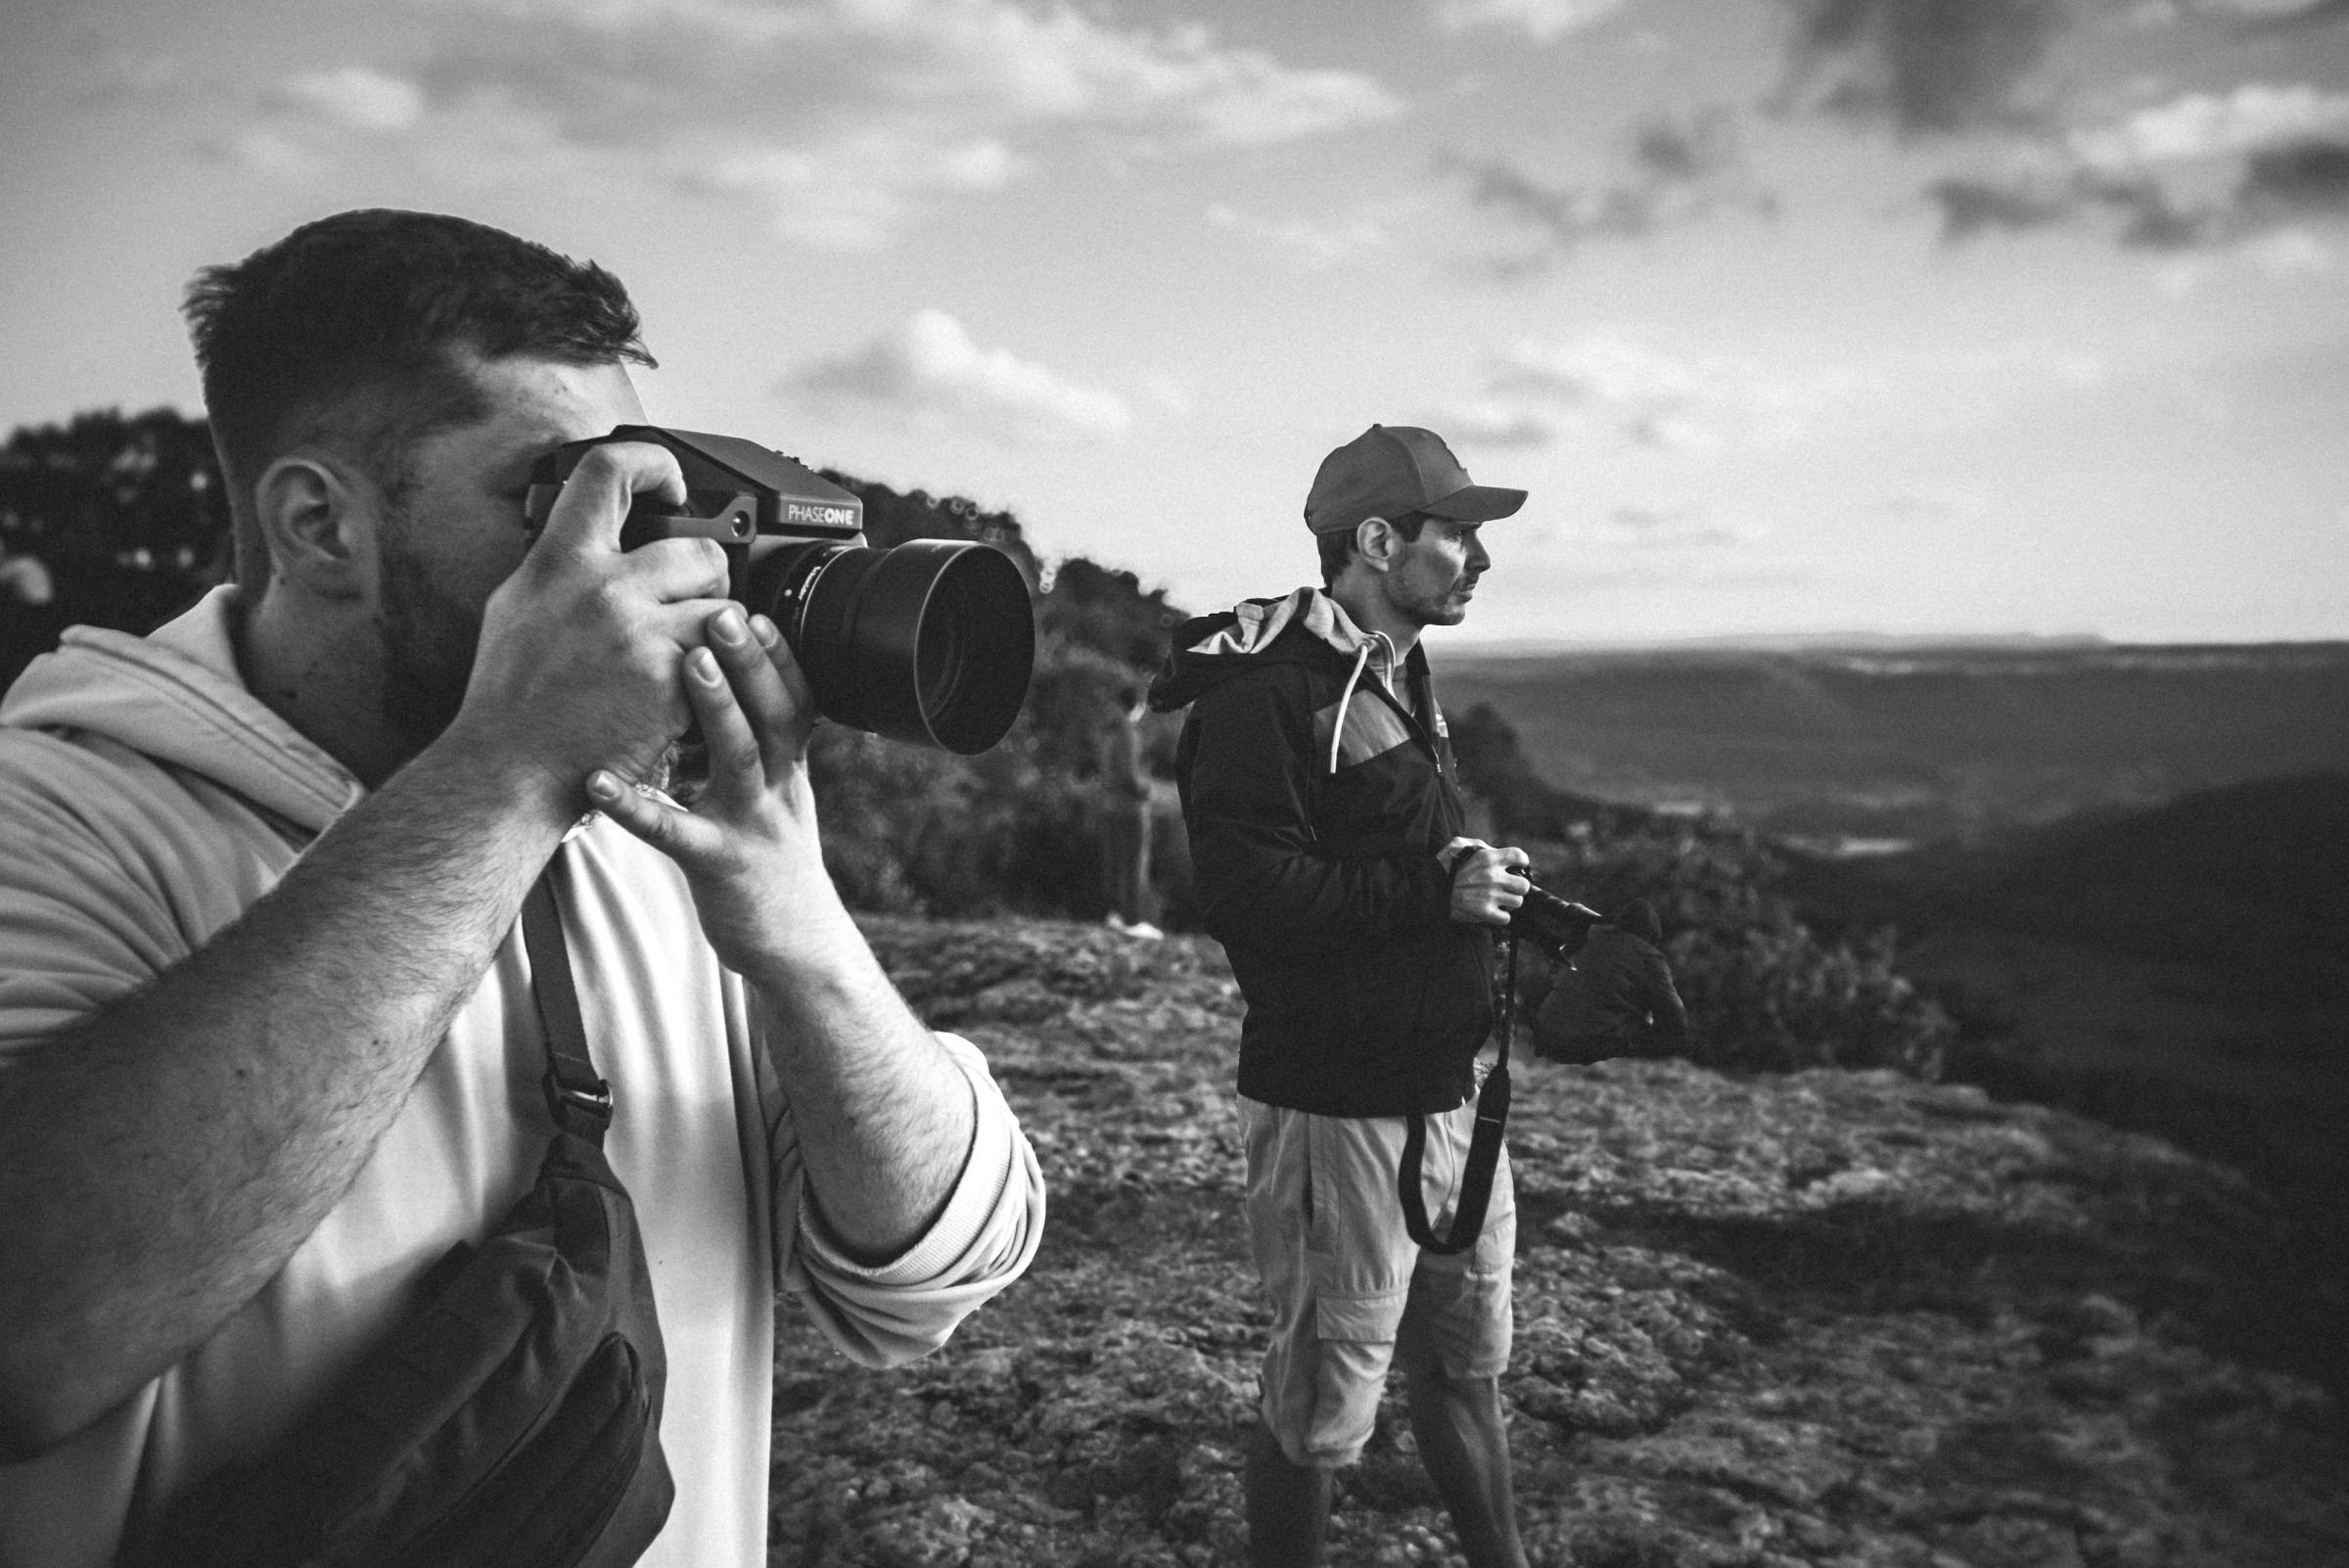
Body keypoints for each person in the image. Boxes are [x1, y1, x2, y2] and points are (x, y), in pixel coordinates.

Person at [0, 209, 1044, 1567]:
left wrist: (800, 932)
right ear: (321, 524)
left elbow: (931, 1279)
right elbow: (28, 1334)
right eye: (568, 500)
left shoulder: (645, 825)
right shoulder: (61, 815)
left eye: (652, 503)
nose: (638, 565)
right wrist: (502, 775)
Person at [1151, 424, 1540, 1568]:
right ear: (1378, 539)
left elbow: (1397, 866)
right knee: (1319, 1416)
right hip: (1336, 1106)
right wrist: (1434, 891)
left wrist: (1484, 895)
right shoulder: (1265, 692)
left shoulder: (1397, 672)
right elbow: (1249, 894)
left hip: (1452, 1096)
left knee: (1467, 1374)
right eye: (1457, 532)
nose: (1478, 558)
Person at [1529, 899, 1688, 1065]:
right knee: (1667, 1037)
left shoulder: (1589, 934)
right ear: (1651, 935)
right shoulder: (1649, 956)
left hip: (1548, 1032)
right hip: (1592, 1042)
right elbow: (1675, 1016)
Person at [1098, 681, 1163, 940]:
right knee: (1135, 864)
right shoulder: (1128, 733)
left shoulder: (1108, 733)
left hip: (1110, 806)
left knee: (1114, 864)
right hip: (1130, 809)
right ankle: (1132, 920)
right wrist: (1149, 790)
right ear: (1137, 706)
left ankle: (1113, 915)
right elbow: (1130, 776)